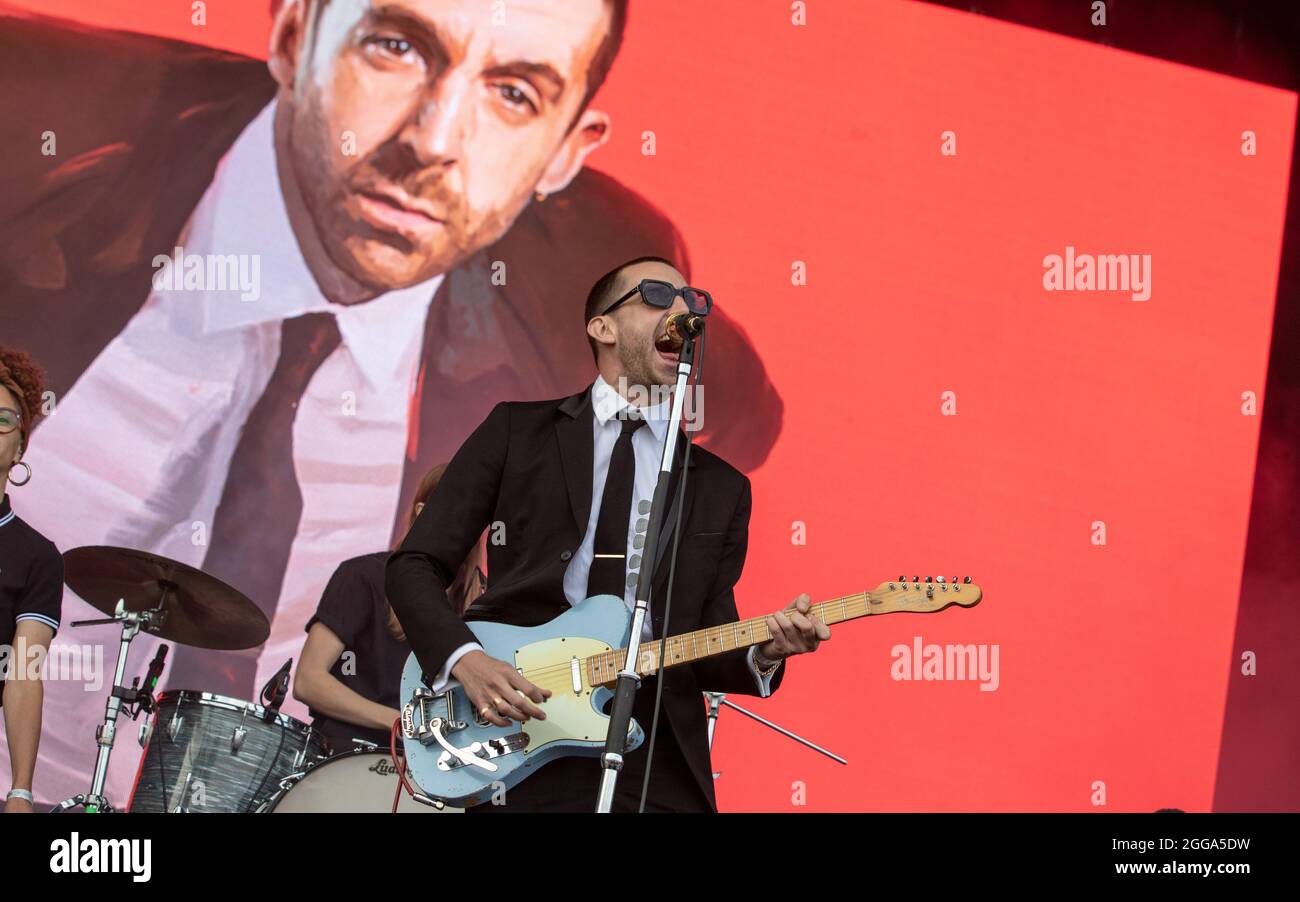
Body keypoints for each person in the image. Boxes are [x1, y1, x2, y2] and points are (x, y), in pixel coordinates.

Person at [0, 0, 782, 805]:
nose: (435, 140)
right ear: (294, 32)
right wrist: (460, 662)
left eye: (515, 93)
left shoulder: (601, 268)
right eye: (397, 47)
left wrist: (765, 645)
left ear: (562, 154)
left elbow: (749, 407)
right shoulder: (25, 104)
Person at [387, 257, 830, 812]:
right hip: (526, 714)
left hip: (656, 748)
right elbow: (415, 564)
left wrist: (764, 651)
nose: (681, 310)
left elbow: (706, 639)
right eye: (655, 294)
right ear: (602, 326)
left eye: (691, 300)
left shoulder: (719, 487)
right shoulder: (517, 432)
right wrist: (464, 660)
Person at [292, 463, 485, 752]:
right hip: (347, 758)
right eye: (457, 506)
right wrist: (397, 721)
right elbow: (308, 681)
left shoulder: (483, 597)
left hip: (436, 768)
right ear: (421, 510)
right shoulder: (362, 575)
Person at [0, 348, 62, 812]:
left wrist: (20, 791)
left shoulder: (37, 556)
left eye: (3, 419)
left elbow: (23, 674)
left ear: (21, 446)